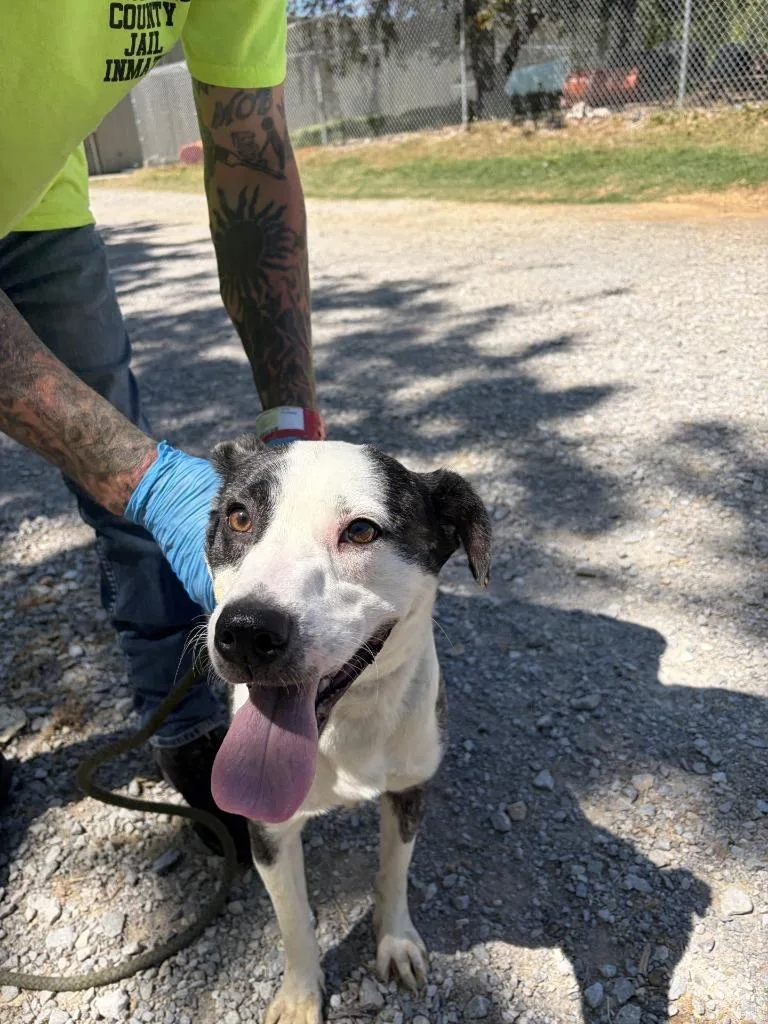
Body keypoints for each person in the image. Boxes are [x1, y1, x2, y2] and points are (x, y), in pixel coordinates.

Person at [0, 1, 325, 861]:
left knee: (128, 501)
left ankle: (187, 734)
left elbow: (249, 151)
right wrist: (151, 480)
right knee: (134, 478)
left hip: (34, 207)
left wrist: (292, 424)